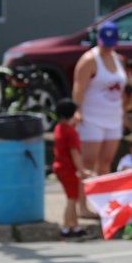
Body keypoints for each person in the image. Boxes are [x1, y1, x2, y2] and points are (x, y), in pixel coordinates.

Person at [72, 21, 128, 217]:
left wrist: (124, 113)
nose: (108, 47)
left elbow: (122, 89)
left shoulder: (118, 58)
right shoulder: (89, 59)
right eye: (105, 43)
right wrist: (77, 111)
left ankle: (102, 203)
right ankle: (83, 206)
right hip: (91, 118)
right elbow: (78, 88)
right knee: (88, 163)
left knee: (106, 162)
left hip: (113, 118)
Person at [52, 98, 92, 239]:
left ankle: (74, 226)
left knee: (72, 197)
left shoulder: (59, 128)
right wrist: (82, 170)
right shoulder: (71, 132)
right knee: (72, 199)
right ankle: (66, 227)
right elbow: (75, 153)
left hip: (59, 167)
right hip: (68, 169)